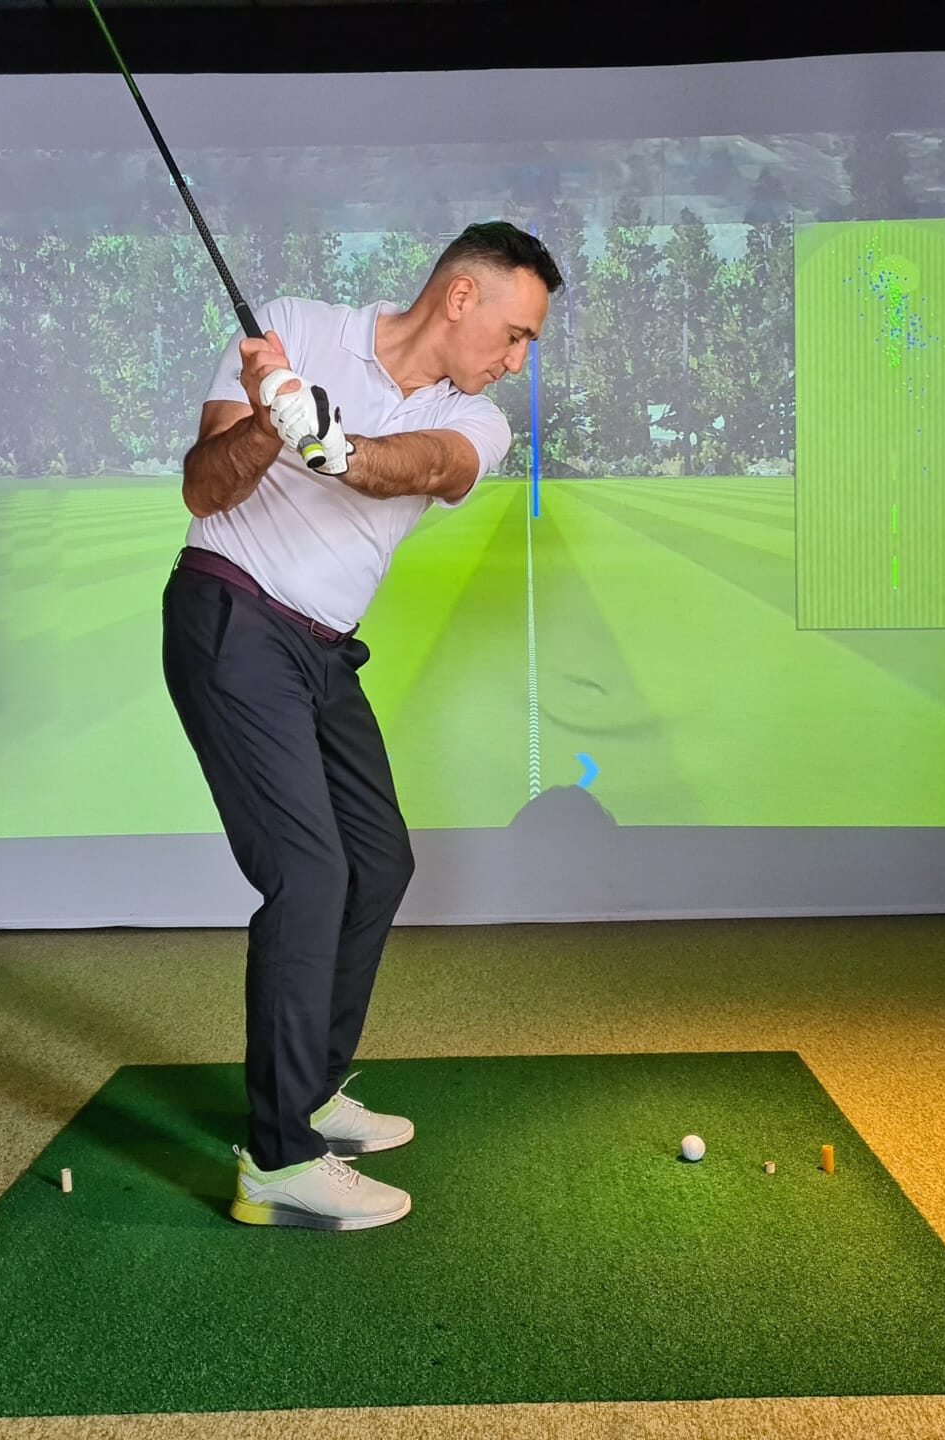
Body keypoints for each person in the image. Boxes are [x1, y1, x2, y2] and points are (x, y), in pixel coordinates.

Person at [162, 222, 563, 1231]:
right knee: (310, 873)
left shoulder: (476, 423)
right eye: (514, 335)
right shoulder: (296, 330)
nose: (515, 364)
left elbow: (414, 467)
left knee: (377, 863)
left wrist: (327, 440)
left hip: (322, 651)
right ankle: (277, 1160)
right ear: (463, 296)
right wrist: (269, 416)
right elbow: (202, 489)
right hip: (233, 614)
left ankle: (313, 1086)